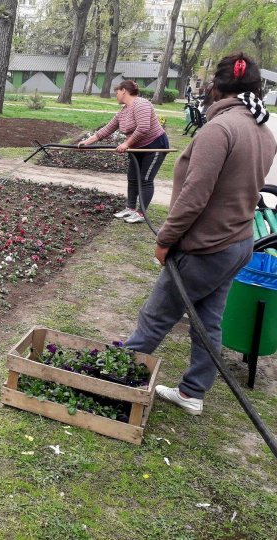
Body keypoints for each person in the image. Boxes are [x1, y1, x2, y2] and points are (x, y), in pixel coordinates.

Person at [125, 53, 277, 415]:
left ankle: (111, 379)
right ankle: (192, 392)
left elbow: (195, 196)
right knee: (207, 320)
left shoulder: (220, 129)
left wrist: (165, 240)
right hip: (238, 243)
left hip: (206, 247)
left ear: (217, 88)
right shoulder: (262, 130)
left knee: (157, 314)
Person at [78, 80, 169, 224]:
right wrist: (87, 142)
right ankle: (130, 209)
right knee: (132, 178)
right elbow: (106, 130)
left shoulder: (141, 104)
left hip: (155, 146)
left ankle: (140, 213)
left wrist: (126, 143)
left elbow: (144, 128)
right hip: (136, 148)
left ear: (124, 91)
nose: (116, 96)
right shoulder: (123, 112)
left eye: (117, 92)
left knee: (145, 180)